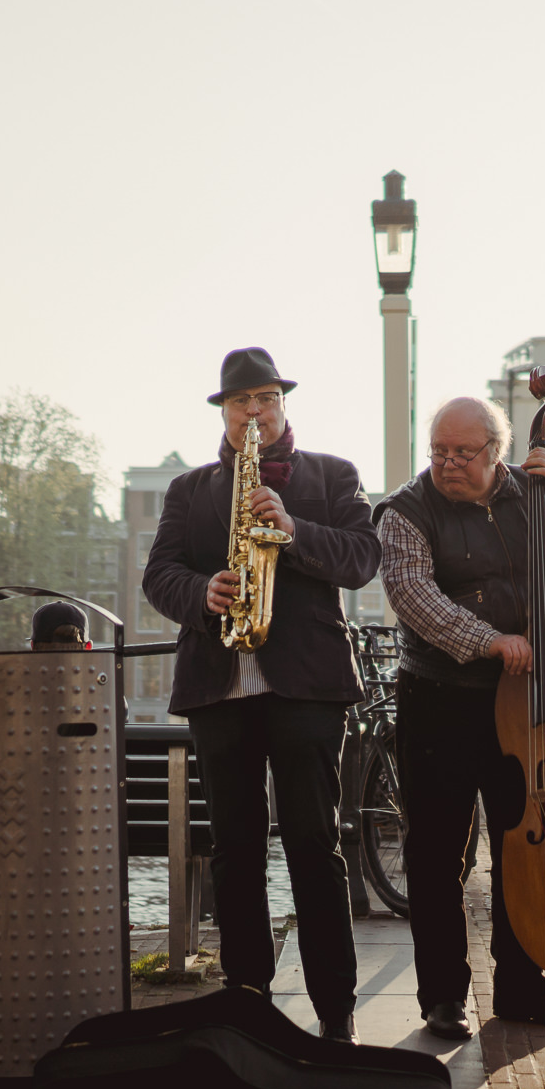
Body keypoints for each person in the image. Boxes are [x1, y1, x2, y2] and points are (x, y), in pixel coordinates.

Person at [143, 348, 380, 1042]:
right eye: (241, 402)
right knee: (235, 850)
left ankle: (334, 1009)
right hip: (221, 688)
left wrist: (294, 529)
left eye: (266, 400)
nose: (255, 413)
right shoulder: (189, 490)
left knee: (314, 843)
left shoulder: (332, 476)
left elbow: (363, 559)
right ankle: (246, 995)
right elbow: (159, 575)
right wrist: (200, 592)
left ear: (283, 405)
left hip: (307, 688)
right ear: (223, 410)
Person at [374, 394, 545, 1039]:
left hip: (523, 700)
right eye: (439, 451)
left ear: (497, 452)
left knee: (521, 844)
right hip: (440, 696)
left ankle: (521, 988)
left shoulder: (531, 495)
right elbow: (412, 595)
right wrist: (490, 640)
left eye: (463, 452)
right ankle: (444, 996)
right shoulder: (405, 511)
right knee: (437, 851)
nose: (448, 463)